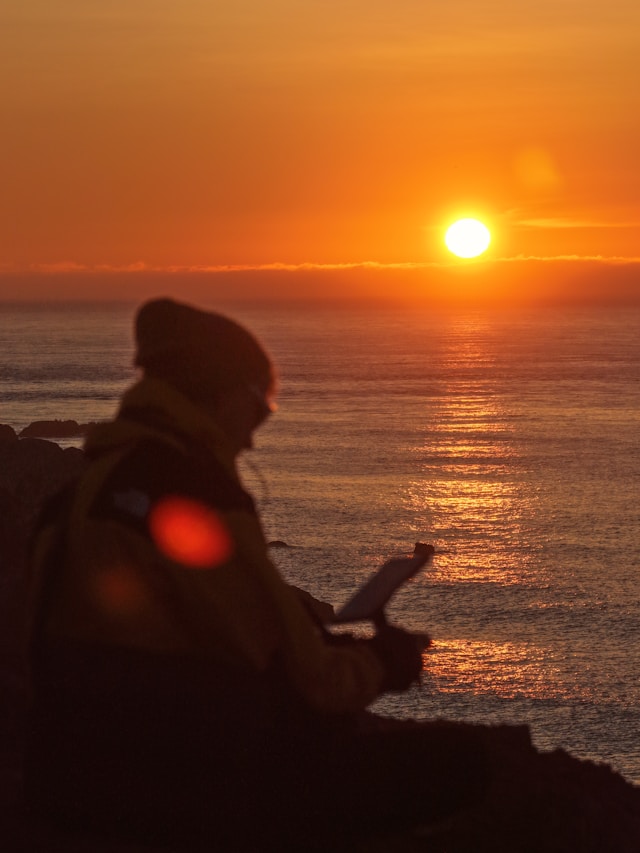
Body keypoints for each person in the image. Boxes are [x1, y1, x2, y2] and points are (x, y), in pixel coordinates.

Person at [25, 298, 490, 850]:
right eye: (260, 401)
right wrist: (385, 663)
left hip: (75, 777)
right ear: (220, 395)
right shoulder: (194, 498)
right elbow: (308, 681)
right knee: (472, 765)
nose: (257, 429)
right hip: (189, 788)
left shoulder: (76, 495)